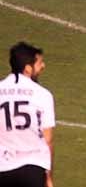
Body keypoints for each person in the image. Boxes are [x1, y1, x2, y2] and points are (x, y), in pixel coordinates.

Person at [0, 42, 55, 187]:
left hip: (2, 168)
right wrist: (48, 178)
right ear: (28, 69)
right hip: (33, 168)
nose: (43, 66)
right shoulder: (43, 95)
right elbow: (48, 139)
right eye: (39, 63)